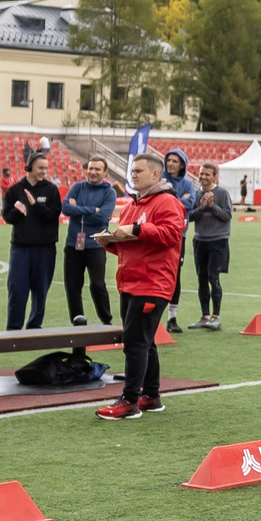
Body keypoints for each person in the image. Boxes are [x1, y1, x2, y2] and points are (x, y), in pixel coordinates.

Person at [93, 152, 187, 420]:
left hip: (153, 282)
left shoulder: (168, 202)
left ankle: (130, 400)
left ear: (156, 175)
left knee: (135, 342)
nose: (133, 175)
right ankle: (151, 396)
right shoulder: (132, 205)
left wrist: (137, 229)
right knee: (144, 342)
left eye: (139, 171)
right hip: (131, 281)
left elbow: (170, 235)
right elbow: (132, 246)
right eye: (132, 171)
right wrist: (111, 242)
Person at [1, 150, 62, 329]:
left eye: (46, 168)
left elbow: (53, 214)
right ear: (29, 167)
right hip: (21, 247)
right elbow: (7, 217)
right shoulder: (15, 190)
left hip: (45, 248)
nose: (44, 171)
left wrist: (36, 205)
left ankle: (34, 327)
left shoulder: (51, 189)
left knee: (40, 290)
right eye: (40, 168)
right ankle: (13, 328)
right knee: (17, 289)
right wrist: (18, 211)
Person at [59, 159, 117, 325]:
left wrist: (78, 210)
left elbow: (103, 216)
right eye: (90, 168)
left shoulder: (109, 192)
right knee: (72, 284)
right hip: (73, 244)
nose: (93, 172)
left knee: (98, 284)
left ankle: (106, 320)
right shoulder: (77, 187)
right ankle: (78, 318)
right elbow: (66, 208)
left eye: (97, 169)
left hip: (96, 244)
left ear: (105, 172)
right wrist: (91, 210)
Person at [189, 160, 232, 329]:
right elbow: (190, 216)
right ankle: (204, 315)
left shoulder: (222, 193)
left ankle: (216, 316)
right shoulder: (196, 194)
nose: (203, 177)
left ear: (215, 177)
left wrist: (212, 206)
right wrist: (201, 208)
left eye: (207, 174)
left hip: (218, 240)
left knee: (214, 277)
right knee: (201, 279)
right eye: (201, 174)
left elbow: (227, 215)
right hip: (200, 240)